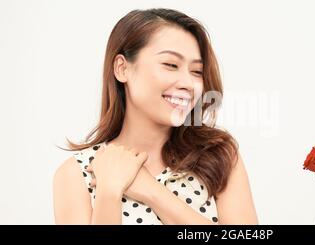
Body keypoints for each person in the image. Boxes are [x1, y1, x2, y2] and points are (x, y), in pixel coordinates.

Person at [53, 8, 258, 225]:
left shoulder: (218, 155)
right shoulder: (77, 173)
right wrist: (109, 193)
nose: (188, 84)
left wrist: (151, 191)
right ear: (122, 69)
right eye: (171, 65)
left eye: (197, 72)